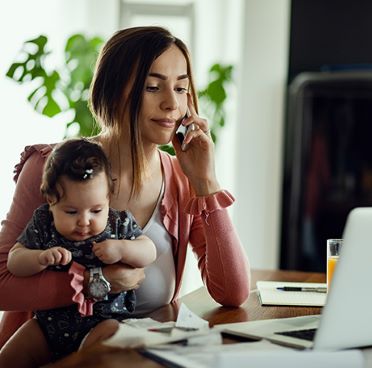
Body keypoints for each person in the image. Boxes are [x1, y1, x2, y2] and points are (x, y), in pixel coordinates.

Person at [0, 25, 250, 364]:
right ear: (115, 90)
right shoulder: (51, 166)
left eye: (181, 88)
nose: (171, 103)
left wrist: (206, 182)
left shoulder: (180, 178)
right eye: (152, 87)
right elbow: (3, 282)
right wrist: (94, 283)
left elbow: (233, 293)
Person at [0, 138, 157, 366]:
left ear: (108, 199)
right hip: (47, 326)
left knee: (104, 346)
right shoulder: (44, 222)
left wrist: (122, 248)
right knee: (8, 358)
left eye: (96, 210)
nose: (84, 221)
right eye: (71, 211)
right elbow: (15, 261)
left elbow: (149, 251)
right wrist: (38, 258)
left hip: (103, 321)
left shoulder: (117, 224)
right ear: (50, 201)